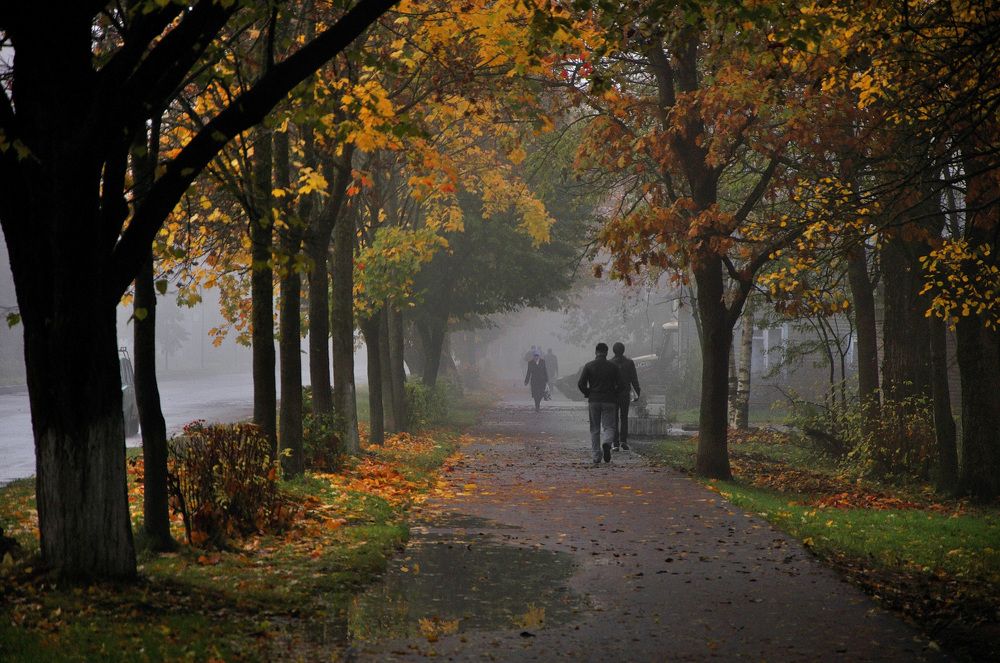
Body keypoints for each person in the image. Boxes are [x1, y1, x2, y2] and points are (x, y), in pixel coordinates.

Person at [577, 342, 623, 465]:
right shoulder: (613, 367)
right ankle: (607, 443)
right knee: (609, 427)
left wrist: (588, 393)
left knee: (595, 429)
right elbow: (621, 384)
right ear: (607, 353)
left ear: (596, 352)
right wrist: (615, 394)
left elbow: (581, 384)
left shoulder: (589, 366)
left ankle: (596, 456)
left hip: (594, 400)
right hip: (609, 401)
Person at [610, 342, 641, 451]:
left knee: (614, 419)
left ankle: (615, 443)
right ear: (623, 350)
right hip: (624, 394)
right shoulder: (629, 363)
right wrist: (637, 393)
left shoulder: (610, 363)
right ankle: (624, 441)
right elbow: (634, 379)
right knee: (624, 418)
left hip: (613, 395)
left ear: (613, 351)